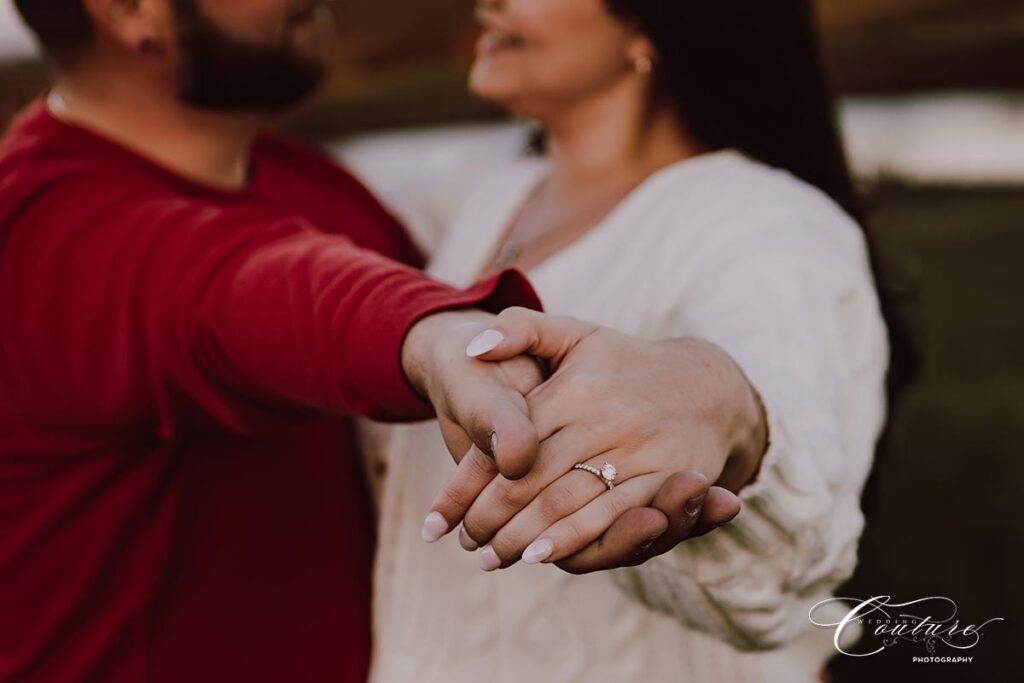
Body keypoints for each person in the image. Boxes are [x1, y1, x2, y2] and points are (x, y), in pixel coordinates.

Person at [0, 1, 756, 681]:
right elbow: (252, 290)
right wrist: (439, 339)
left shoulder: (315, 185)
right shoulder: (43, 233)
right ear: (132, 10)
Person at [360, 0, 892, 681]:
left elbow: (795, 529)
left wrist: (728, 408)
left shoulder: (766, 224)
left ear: (651, 24)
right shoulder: (474, 202)